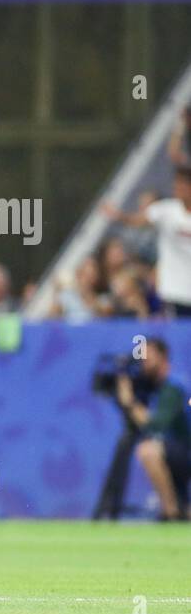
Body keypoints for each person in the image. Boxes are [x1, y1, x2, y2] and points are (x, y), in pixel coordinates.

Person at [116, 338, 190, 520]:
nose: (144, 360)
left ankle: (171, 512)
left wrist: (130, 402)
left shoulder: (173, 386)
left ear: (163, 356)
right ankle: (177, 509)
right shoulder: (156, 388)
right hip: (176, 451)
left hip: (185, 448)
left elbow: (156, 425)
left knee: (148, 450)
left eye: (148, 355)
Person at [102, 167, 191, 317]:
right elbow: (139, 219)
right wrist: (119, 216)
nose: (178, 189)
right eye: (176, 185)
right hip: (175, 289)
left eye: (182, 185)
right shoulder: (166, 210)